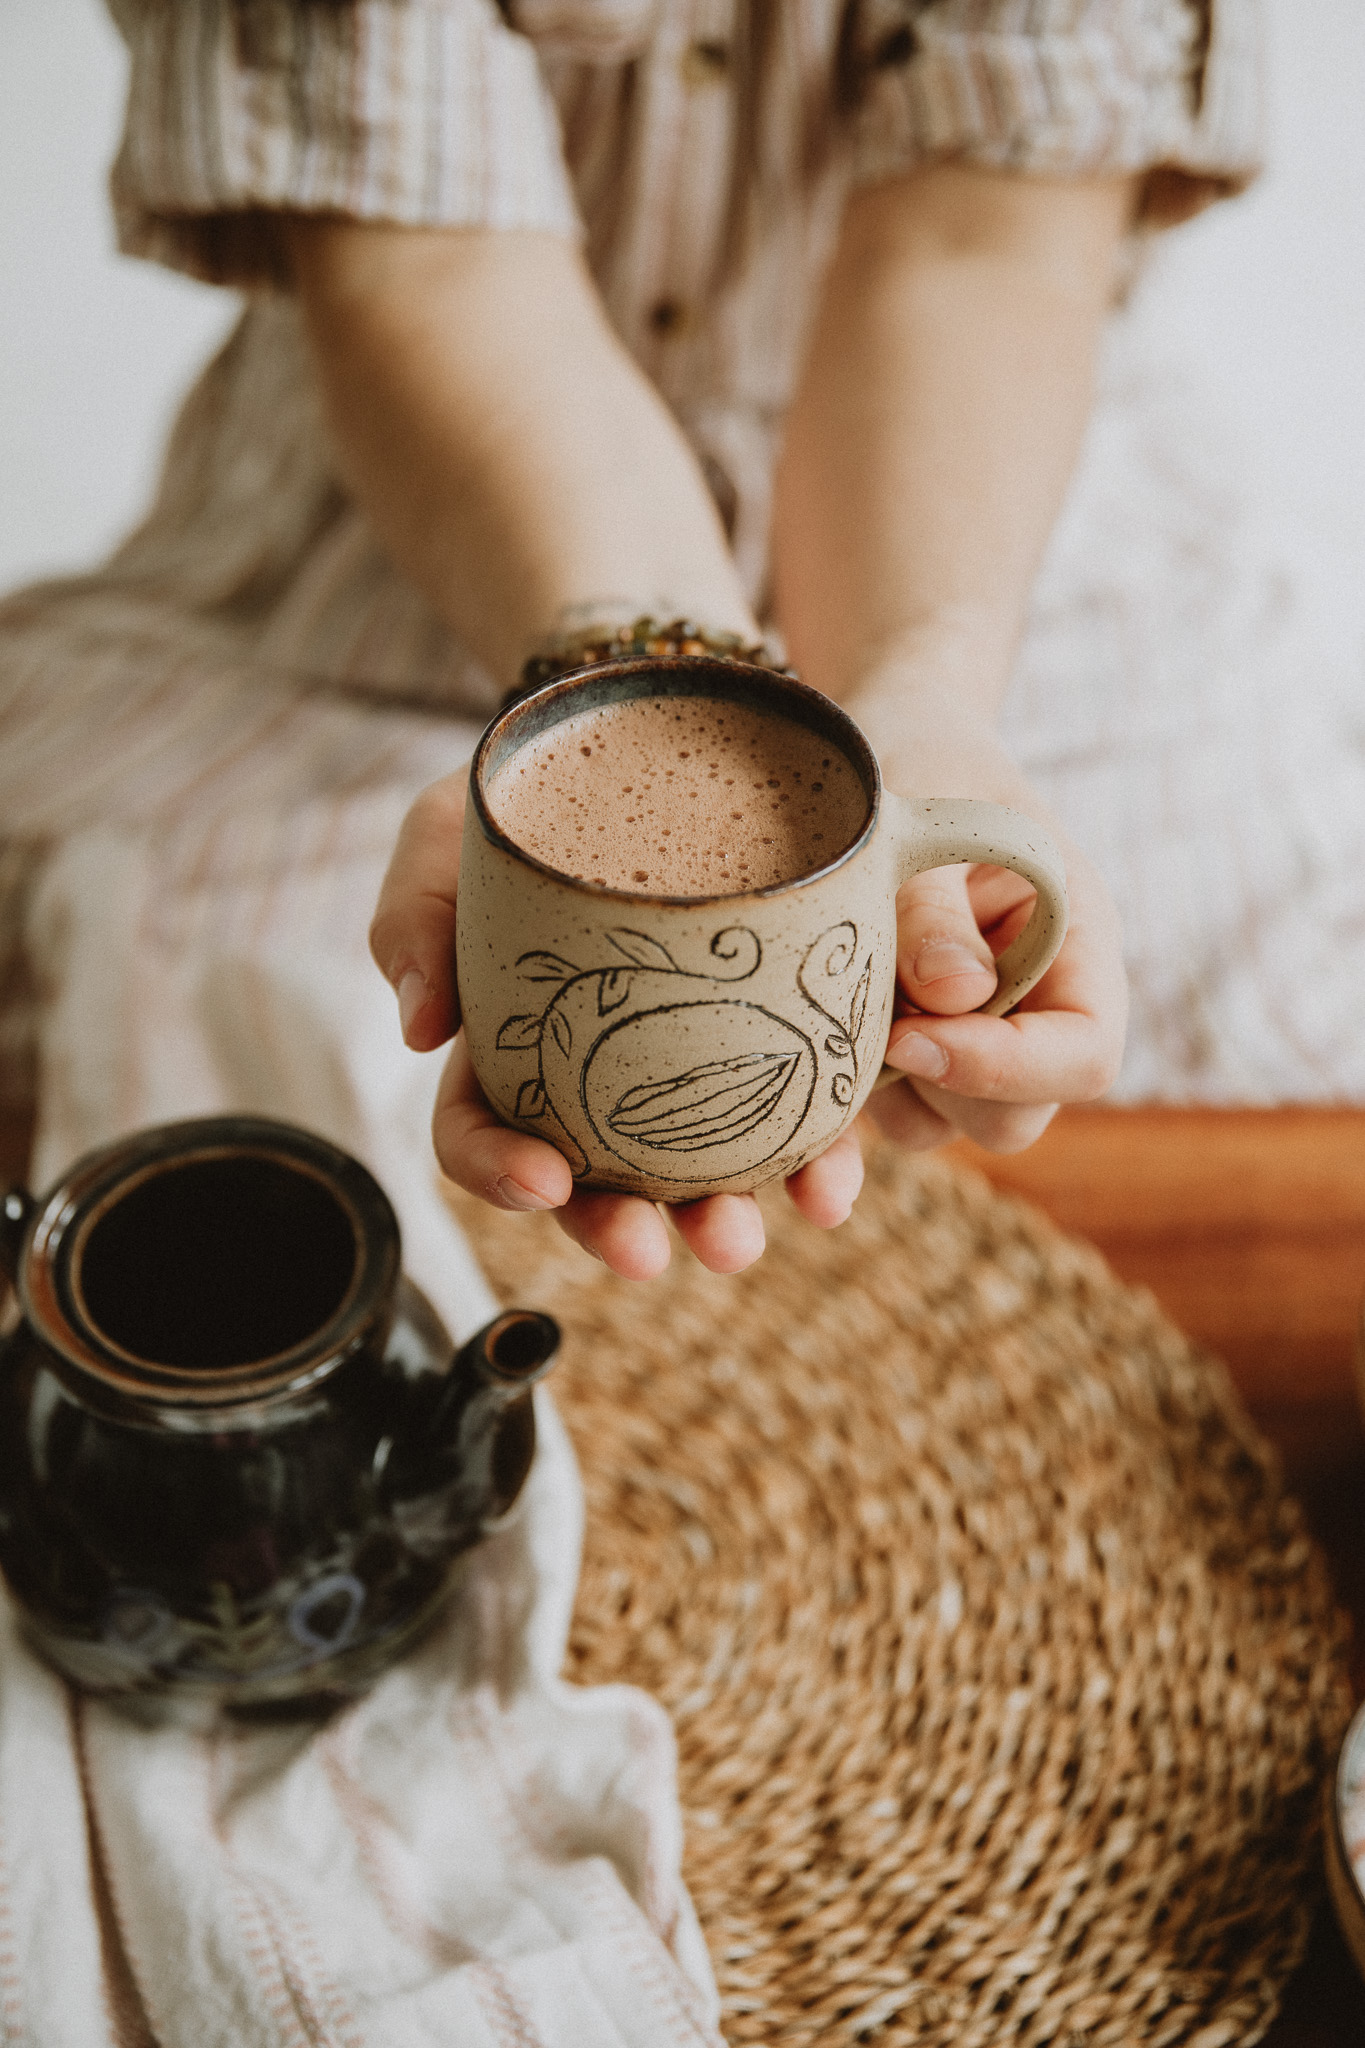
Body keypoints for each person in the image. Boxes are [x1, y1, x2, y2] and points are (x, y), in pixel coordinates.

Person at [0, 0, 1262, 1290]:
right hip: (420, 516)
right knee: (179, 1038)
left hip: (977, 522)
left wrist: (928, 694)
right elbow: (424, 255)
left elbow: (983, 250)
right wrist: (645, 666)